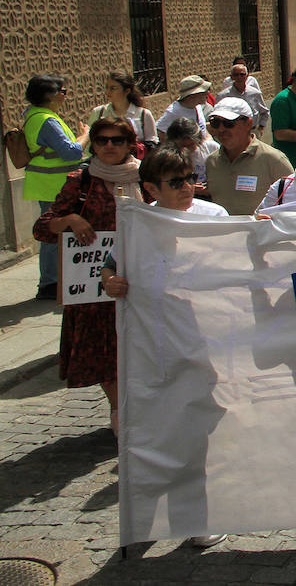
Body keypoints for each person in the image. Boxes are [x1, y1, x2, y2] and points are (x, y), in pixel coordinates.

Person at [101, 146, 230, 549]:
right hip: (155, 349)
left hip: (201, 345)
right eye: (175, 182)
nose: (187, 187)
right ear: (151, 187)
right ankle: (149, 517)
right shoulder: (136, 224)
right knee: (160, 432)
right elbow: (110, 265)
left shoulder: (214, 216)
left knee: (197, 434)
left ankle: (195, 517)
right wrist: (110, 280)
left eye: (189, 177)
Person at [32, 117, 143, 432]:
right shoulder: (80, 181)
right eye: (101, 140)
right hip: (94, 292)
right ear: (92, 144)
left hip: (138, 281)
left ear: (129, 144)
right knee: (106, 358)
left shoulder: (147, 177)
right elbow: (42, 227)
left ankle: (138, 410)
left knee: (140, 351)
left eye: (117, 140)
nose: (109, 146)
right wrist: (69, 219)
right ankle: (120, 413)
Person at [21, 74, 89, 298]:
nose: (65, 95)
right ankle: (50, 283)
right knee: (53, 233)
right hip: (54, 185)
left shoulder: (34, 115)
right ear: (50, 95)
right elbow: (70, 152)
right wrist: (85, 135)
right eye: (63, 91)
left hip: (49, 184)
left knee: (54, 232)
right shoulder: (47, 120)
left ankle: (54, 280)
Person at [204, 97, 293, 215]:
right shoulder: (211, 162)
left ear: (248, 124)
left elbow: (293, 202)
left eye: (228, 123)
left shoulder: (274, 160)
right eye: (216, 123)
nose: (221, 129)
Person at [88, 71, 158, 149]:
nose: (108, 92)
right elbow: (90, 142)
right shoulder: (98, 112)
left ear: (127, 91)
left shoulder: (144, 114)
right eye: (107, 87)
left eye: (113, 88)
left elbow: (152, 142)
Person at [165, 116, 218, 192]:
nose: (188, 149)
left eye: (191, 145)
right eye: (183, 146)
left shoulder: (211, 148)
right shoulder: (170, 157)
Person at [157, 75, 211, 141]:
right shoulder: (174, 111)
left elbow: (202, 129)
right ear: (191, 96)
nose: (208, 93)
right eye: (203, 92)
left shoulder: (197, 106)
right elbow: (160, 132)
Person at [219, 63, 269, 133]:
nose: (239, 77)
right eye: (236, 75)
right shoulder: (223, 96)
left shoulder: (255, 93)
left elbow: (264, 112)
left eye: (242, 74)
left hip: (252, 131)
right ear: (232, 77)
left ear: (247, 76)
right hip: (232, 133)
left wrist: (261, 126)